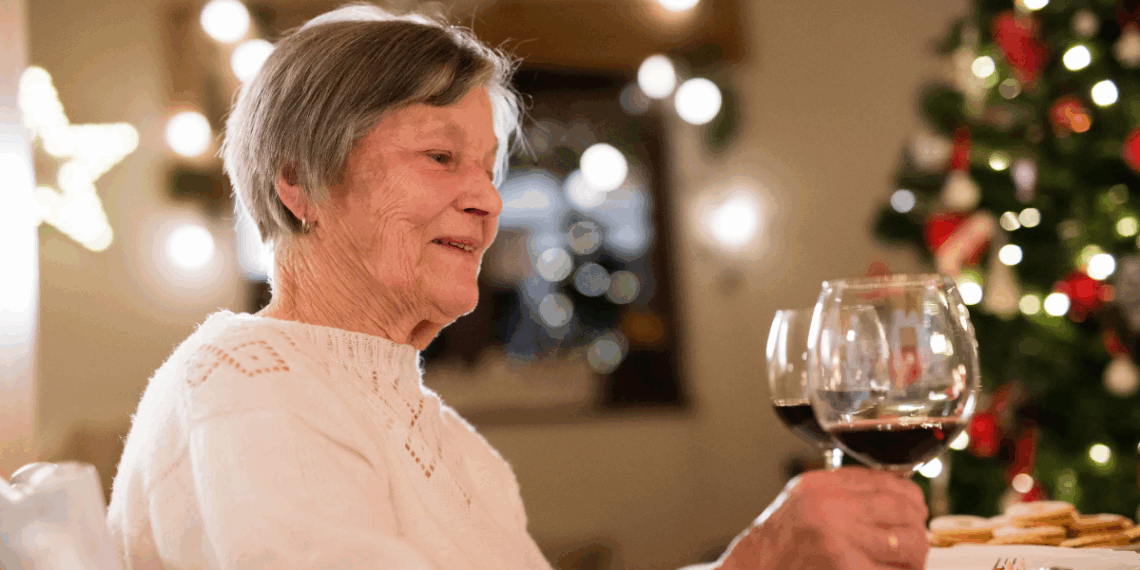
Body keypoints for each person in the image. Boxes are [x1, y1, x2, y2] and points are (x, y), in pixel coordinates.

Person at [106, 4, 930, 569]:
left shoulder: (454, 446)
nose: (487, 198)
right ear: (299, 183)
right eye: (440, 157)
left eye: (490, 167)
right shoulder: (253, 389)